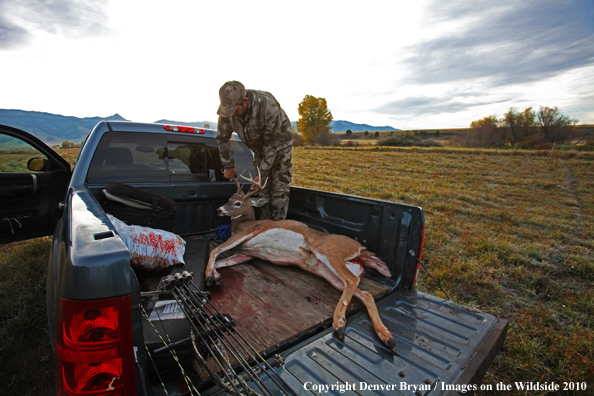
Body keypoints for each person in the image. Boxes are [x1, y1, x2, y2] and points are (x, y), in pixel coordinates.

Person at [216, 81, 293, 221]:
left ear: (245, 101)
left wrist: (262, 174)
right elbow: (222, 138)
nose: (231, 115)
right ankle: (262, 226)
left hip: (280, 148)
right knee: (261, 192)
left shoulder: (268, 107)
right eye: (228, 112)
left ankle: (276, 228)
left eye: (234, 111)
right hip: (259, 150)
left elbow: (271, 145)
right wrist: (228, 165)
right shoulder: (227, 111)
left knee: (278, 192)